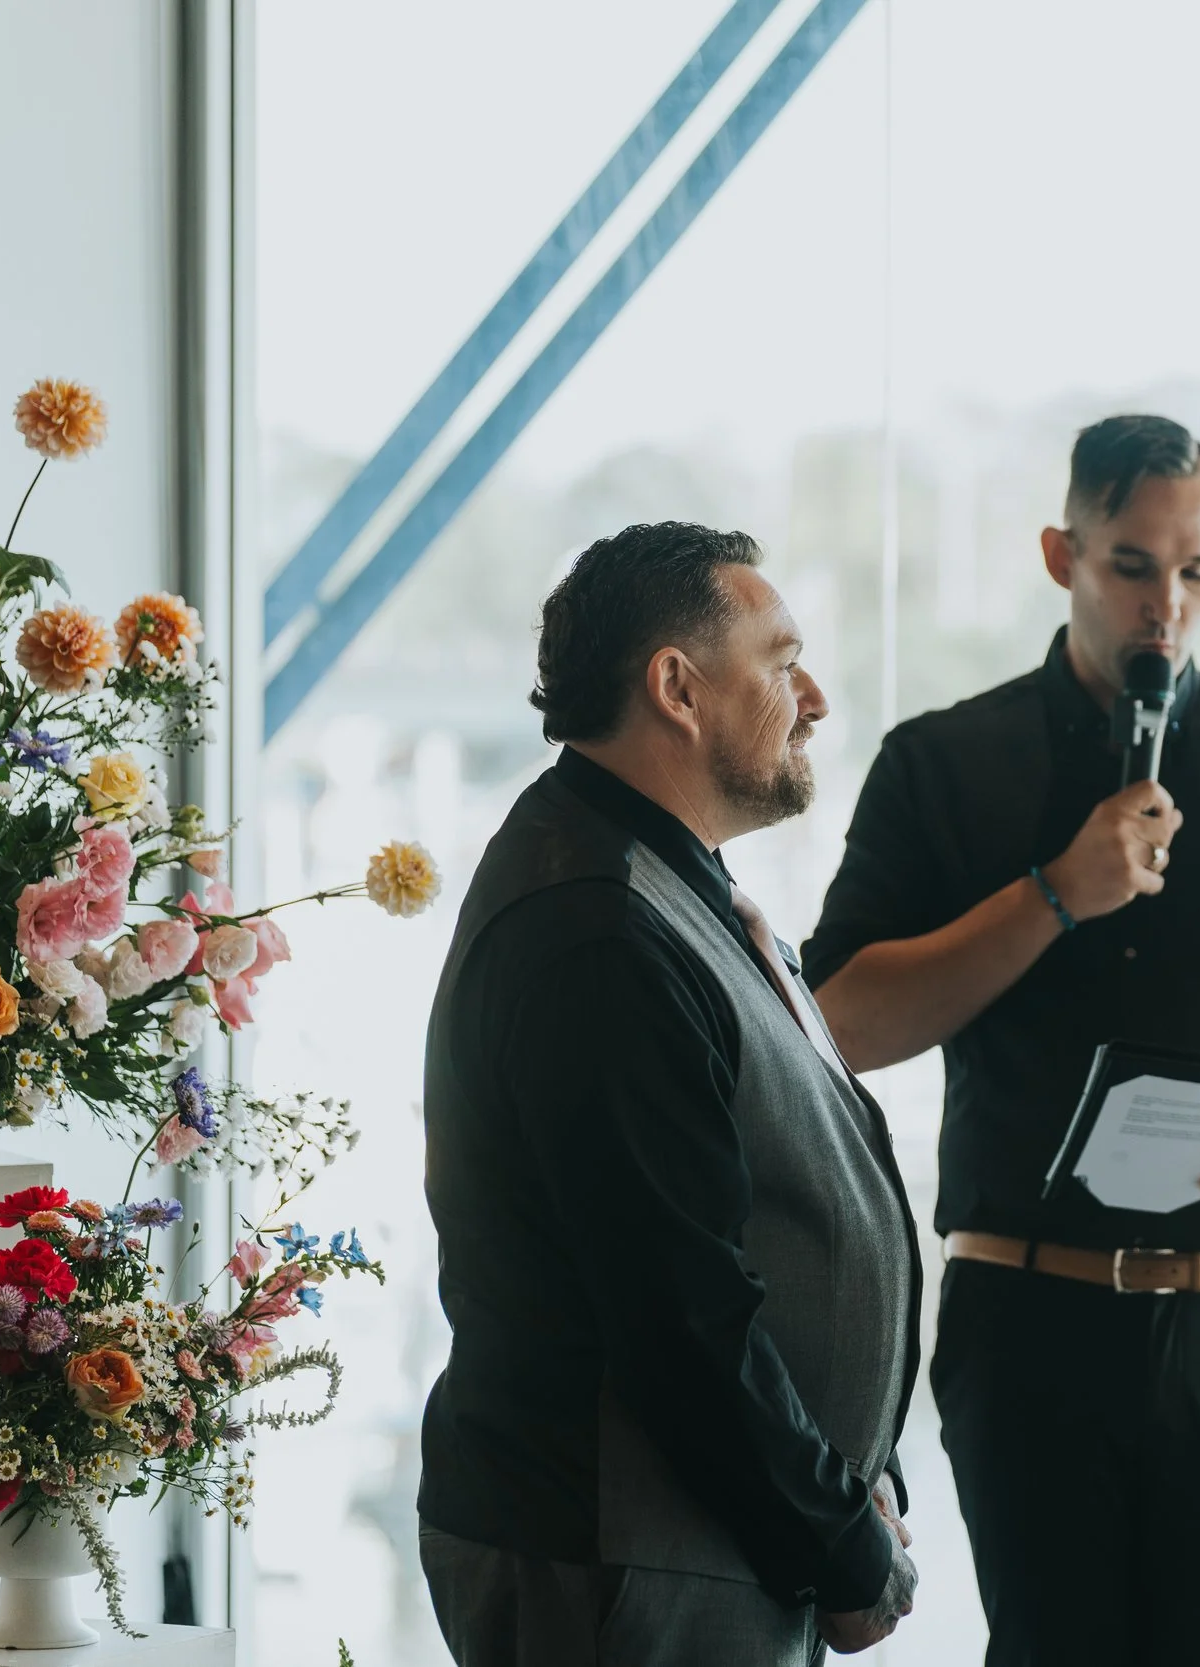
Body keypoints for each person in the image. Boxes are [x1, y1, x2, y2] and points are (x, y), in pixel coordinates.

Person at [804, 414, 1200, 1667]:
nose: (1167, 605)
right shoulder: (939, 764)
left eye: (1196, 570)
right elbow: (843, 1023)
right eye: (1132, 565)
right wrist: (1051, 896)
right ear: (1060, 554)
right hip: (1029, 1318)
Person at [416, 522, 924, 1666]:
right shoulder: (596, 925)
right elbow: (674, 1307)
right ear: (677, 687)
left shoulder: (648, 877)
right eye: (781, 659)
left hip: (693, 1541)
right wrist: (836, 1538)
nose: (818, 697)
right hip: (619, 1558)